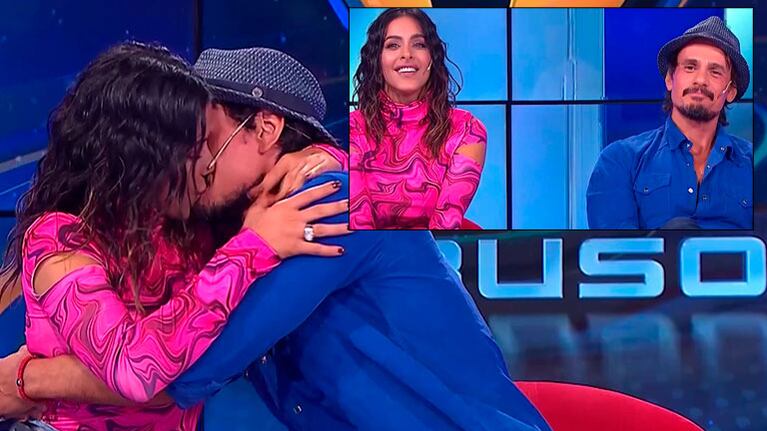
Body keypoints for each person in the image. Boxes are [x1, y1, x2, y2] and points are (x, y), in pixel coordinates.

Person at [0, 47, 552, 431]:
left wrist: (29, 379)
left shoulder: (331, 198)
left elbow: (184, 370)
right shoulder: (243, 224)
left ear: (264, 129)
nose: (190, 160)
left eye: (204, 138)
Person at [0, 42, 348, 430]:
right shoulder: (60, 238)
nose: (207, 165)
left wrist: (321, 159)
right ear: (147, 153)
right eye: (197, 147)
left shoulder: (189, 226)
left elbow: (210, 360)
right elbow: (134, 369)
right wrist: (252, 247)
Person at [587, 16, 753, 229]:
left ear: (730, 91)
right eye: (690, 67)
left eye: (715, 72)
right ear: (670, 79)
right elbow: (615, 248)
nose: (700, 80)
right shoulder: (620, 160)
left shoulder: (751, 165)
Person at [350, 8, 487, 230]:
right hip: (369, 249)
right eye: (393, 45)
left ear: (432, 58)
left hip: (439, 247)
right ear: (377, 59)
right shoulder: (353, 129)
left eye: (419, 44)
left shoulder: (467, 130)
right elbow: (359, 225)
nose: (407, 54)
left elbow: (445, 225)